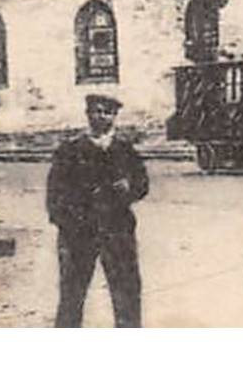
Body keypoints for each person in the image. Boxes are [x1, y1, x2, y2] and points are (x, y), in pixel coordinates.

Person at [46, 94, 149, 327]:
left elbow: (143, 184)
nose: (102, 116)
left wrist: (129, 187)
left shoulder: (125, 150)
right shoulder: (70, 150)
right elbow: (54, 192)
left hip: (117, 230)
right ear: (88, 114)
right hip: (79, 232)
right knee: (72, 291)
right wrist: (67, 223)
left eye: (107, 112)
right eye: (97, 111)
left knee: (126, 289)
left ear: (115, 117)